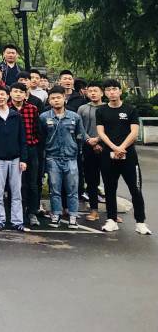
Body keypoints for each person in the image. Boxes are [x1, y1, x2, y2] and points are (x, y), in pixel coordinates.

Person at [96, 80, 150, 234]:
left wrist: (122, 147)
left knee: (135, 189)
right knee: (109, 189)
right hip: (108, 155)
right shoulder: (101, 111)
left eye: (114, 89)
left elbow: (134, 132)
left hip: (129, 156)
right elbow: (101, 132)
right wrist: (114, 147)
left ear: (120, 91)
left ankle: (140, 222)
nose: (112, 92)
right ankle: (111, 220)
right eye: (108, 89)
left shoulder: (130, 109)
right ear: (105, 93)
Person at [0, 85, 28, 232]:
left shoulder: (16, 115)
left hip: (15, 159)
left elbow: (22, 138)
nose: (0, 97)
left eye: (3, 94)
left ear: (8, 96)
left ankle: (17, 221)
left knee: (16, 192)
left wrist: (23, 159)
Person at [39, 85, 85, 228]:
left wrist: (77, 150)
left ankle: (73, 216)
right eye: (53, 98)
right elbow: (41, 137)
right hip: (52, 158)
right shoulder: (44, 117)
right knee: (55, 189)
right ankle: (56, 215)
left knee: (72, 189)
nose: (56, 100)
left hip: (71, 158)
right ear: (49, 101)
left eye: (59, 97)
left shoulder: (74, 117)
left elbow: (80, 136)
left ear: (64, 98)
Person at [10, 82, 44, 227]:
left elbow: (38, 130)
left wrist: (34, 143)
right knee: (16, 184)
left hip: (31, 149)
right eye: (15, 91)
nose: (18, 94)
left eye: (21, 92)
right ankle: (18, 213)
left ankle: (32, 212)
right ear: (10, 93)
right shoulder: (6, 108)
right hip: (13, 150)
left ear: (26, 94)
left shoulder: (32, 109)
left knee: (32, 183)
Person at [77, 81, 105, 222]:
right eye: (90, 91)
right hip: (88, 147)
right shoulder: (82, 109)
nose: (93, 93)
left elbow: (111, 128)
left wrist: (99, 141)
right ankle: (94, 210)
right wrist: (90, 141)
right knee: (91, 181)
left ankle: (112, 213)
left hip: (106, 147)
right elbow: (79, 128)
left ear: (102, 92)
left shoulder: (107, 108)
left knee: (109, 181)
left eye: (96, 91)